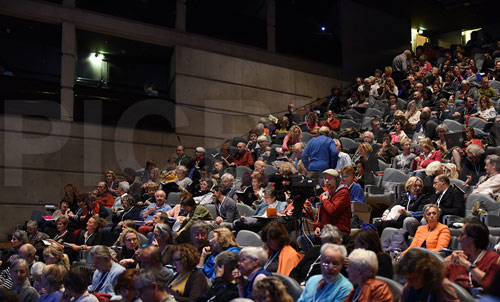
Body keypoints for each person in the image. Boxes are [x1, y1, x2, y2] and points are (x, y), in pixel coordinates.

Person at [298, 169, 350, 252]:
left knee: (326, 242)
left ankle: (321, 257)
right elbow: (319, 216)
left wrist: (325, 201)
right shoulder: (324, 195)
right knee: (301, 240)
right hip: (325, 232)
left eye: (329, 178)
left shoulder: (343, 193)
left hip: (339, 232)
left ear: (336, 180)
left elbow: (333, 210)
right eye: (325, 178)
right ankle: (316, 257)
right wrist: (317, 227)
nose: (326, 181)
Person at [444, 218, 499, 291]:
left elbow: (490, 284)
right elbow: (436, 277)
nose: (458, 239)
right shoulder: (459, 257)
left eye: (462, 235)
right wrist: (445, 261)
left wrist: (468, 265)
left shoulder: (492, 258)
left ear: (472, 238)